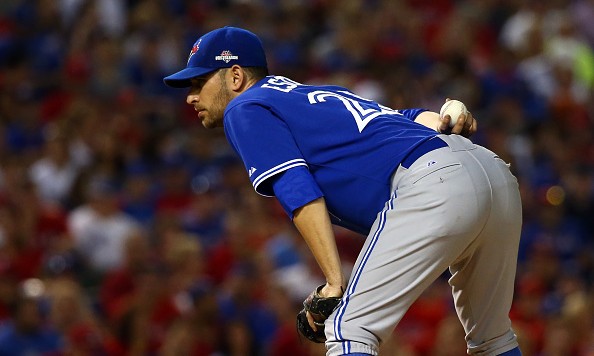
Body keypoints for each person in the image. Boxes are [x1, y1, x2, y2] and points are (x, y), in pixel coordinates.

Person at [163, 26, 523, 356]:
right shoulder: (317, 95)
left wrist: (334, 283)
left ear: (236, 76)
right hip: (494, 174)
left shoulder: (244, 107)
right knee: (493, 339)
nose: (191, 97)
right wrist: (448, 114)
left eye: (199, 82)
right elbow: (410, 117)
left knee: (350, 329)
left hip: (435, 180)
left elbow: (297, 188)